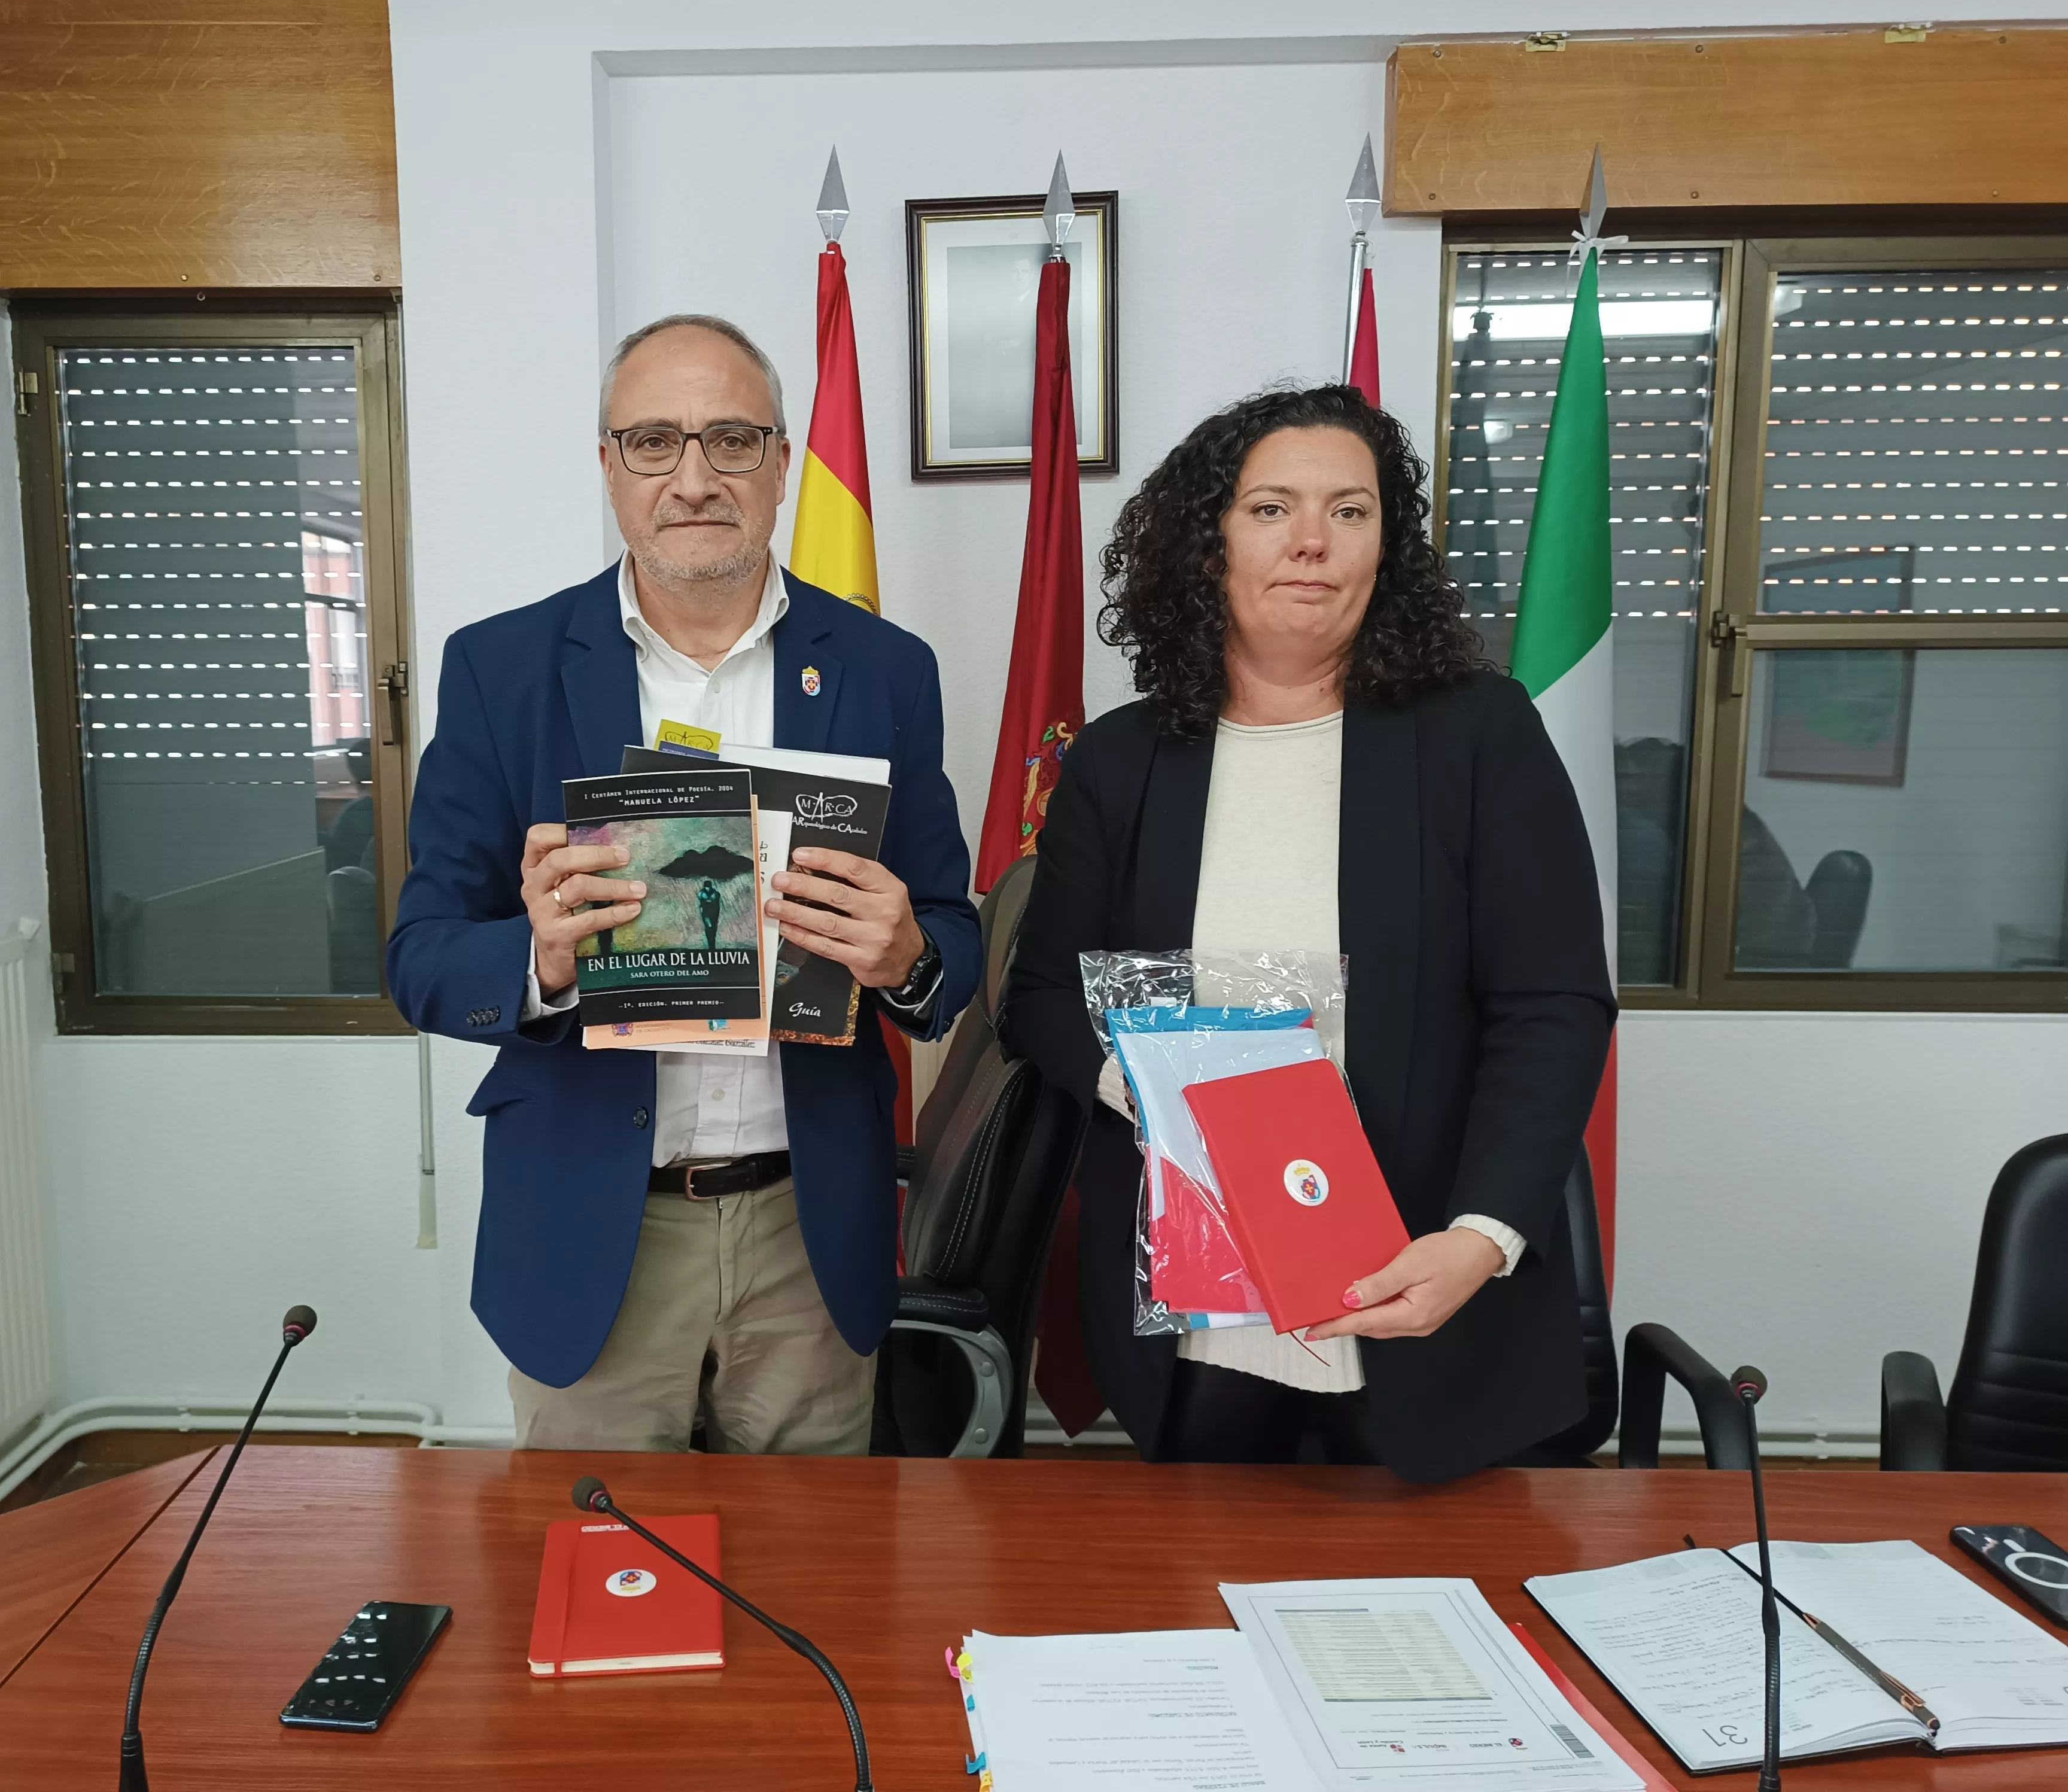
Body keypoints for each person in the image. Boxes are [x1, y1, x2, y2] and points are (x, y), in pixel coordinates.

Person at [388, 314, 979, 1455]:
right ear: (608, 467)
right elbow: (419, 956)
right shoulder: (500, 669)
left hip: (807, 1231)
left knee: (808, 1582)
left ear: (783, 461)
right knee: (607, 1592)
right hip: (589, 1230)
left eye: (733, 440)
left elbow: (949, 935)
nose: (696, 477)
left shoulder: (886, 670)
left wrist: (909, 955)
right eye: (654, 441)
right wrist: (540, 959)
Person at [1003, 385, 1614, 1484]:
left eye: (1351, 510)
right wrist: (1157, 1084)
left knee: (1431, 1640)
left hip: (1424, 1294)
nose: (1313, 544)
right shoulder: (1123, 760)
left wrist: (1481, 1239)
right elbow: (1043, 999)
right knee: (1200, 1613)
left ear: (1389, 544)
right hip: (1197, 1302)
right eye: (1272, 508)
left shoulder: (1478, 732)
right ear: (1209, 542)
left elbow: (1554, 1004)